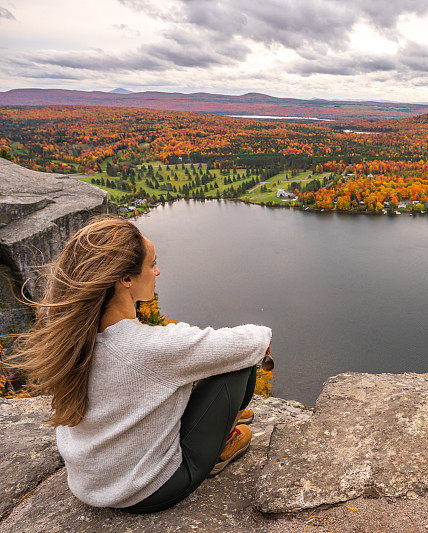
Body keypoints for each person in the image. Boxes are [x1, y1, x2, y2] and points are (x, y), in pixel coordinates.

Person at [7, 213, 273, 514]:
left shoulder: (71, 335)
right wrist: (263, 340)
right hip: (149, 488)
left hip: (87, 483)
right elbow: (251, 342)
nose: (158, 272)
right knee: (238, 365)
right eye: (152, 264)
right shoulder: (148, 347)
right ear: (126, 279)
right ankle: (222, 445)